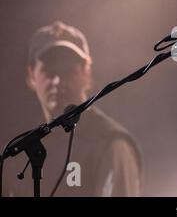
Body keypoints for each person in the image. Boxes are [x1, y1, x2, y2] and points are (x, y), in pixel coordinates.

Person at [6, 21, 142, 197]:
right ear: (31, 76)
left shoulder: (111, 143)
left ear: (87, 72)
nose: (58, 81)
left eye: (67, 70)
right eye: (49, 71)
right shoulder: (18, 150)